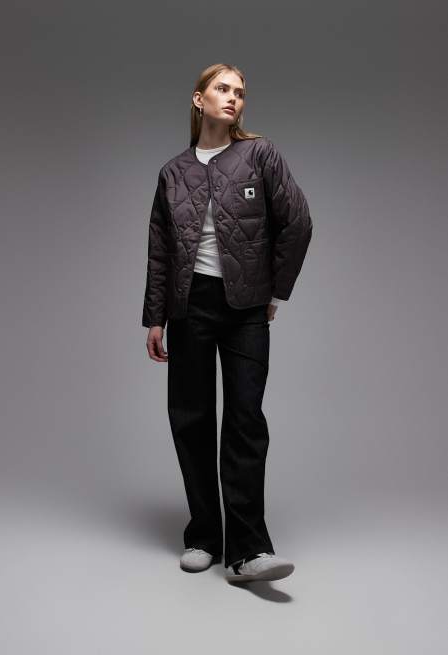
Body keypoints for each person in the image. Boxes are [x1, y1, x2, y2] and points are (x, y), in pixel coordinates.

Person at [142, 63, 313, 583]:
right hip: (188, 305)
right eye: (222, 88)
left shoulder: (260, 155)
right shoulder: (173, 172)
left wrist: (275, 291)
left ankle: (249, 550)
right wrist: (155, 318)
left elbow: (298, 222)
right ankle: (203, 536)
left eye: (239, 91)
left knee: (245, 419)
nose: (233, 98)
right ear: (199, 99)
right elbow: (160, 250)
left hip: (245, 308)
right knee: (191, 418)